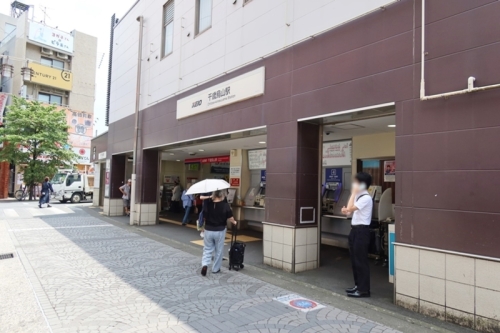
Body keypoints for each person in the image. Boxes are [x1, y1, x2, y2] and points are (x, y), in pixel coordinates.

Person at [341, 172, 373, 298]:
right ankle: (358, 285)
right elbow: (347, 212)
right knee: (354, 260)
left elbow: (348, 209)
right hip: (354, 230)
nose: (354, 184)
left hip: (362, 231)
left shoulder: (366, 198)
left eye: (356, 182)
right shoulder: (359, 197)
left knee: (361, 261)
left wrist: (353, 193)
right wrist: (348, 207)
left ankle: (363, 290)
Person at [201, 190, 237, 276]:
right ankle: (215, 269)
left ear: (213, 195)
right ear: (222, 196)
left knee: (207, 249)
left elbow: (204, 217)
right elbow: (230, 217)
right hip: (219, 230)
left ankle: (205, 264)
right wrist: (235, 222)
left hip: (208, 230)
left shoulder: (208, 205)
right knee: (219, 250)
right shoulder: (225, 205)